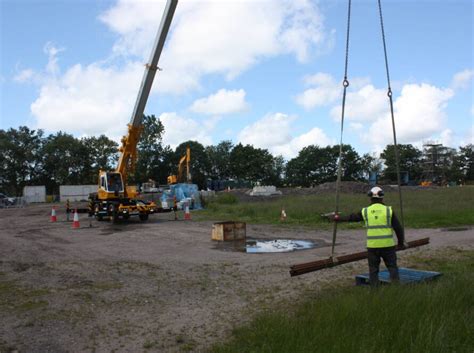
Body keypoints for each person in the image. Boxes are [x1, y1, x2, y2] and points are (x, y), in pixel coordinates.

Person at [330, 186, 408, 286]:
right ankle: (396, 289)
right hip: (388, 246)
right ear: (382, 197)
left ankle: (374, 292)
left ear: (370, 198)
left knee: (373, 270)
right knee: (392, 267)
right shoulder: (388, 210)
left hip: (372, 247)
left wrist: (338, 218)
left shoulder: (365, 211)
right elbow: (398, 228)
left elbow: (352, 218)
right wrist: (400, 243)